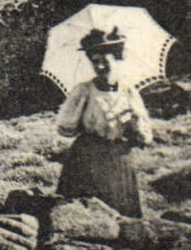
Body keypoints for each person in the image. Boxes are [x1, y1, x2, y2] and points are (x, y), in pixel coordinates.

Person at [55, 28, 153, 217]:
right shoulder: (83, 90)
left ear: (116, 59)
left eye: (104, 61)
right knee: (83, 214)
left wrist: (133, 123)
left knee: (122, 215)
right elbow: (65, 129)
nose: (99, 67)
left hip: (118, 159)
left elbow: (144, 136)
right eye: (95, 62)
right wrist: (82, 123)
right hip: (87, 157)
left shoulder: (129, 92)